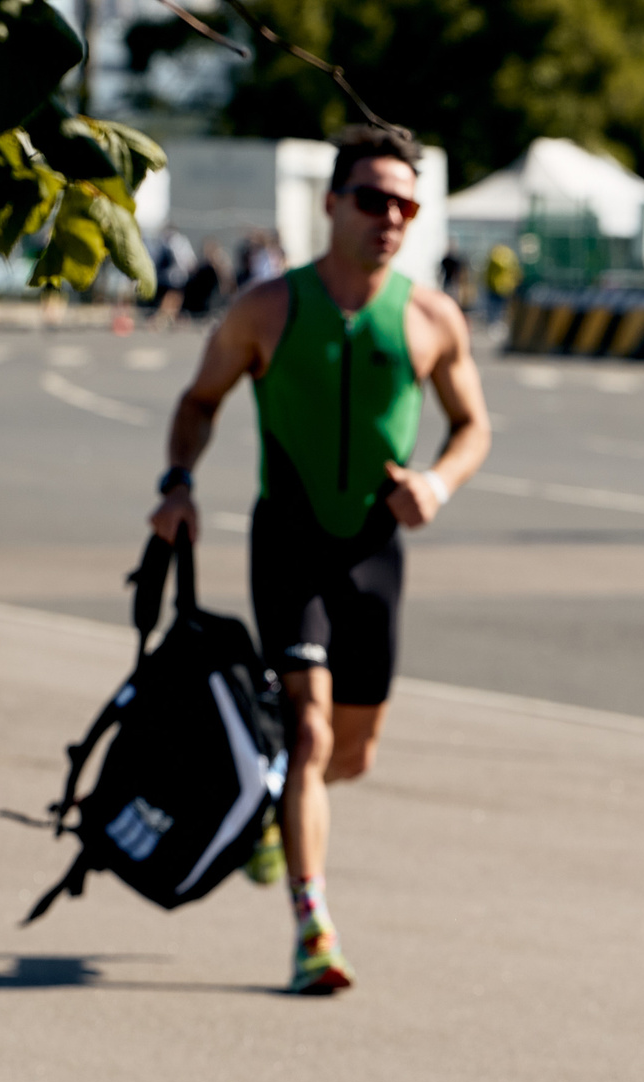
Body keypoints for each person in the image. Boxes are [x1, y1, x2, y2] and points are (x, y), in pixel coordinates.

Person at [149, 124, 491, 995]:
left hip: (376, 552)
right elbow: (199, 402)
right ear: (332, 202)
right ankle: (314, 927)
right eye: (373, 198)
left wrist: (437, 485)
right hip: (289, 542)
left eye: (406, 204)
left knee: (352, 751)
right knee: (308, 732)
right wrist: (179, 482)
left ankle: (277, 810)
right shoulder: (267, 310)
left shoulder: (428, 317)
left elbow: (473, 427)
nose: (390, 216)